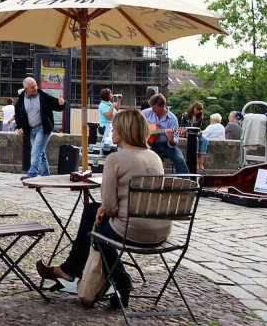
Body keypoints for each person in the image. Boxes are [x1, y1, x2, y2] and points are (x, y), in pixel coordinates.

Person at [36, 109, 170, 309]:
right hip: (160, 230)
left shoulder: (115, 159)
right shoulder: (154, 158)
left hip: (133, 230)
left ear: (124, 130)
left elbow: (110, 206)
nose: (111, 130)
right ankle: (70, 269)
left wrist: (104, 209)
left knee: (97, 226)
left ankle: (115, 280)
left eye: (114, 127)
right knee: (93, 213)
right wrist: (104, 209)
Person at [15, 77, 66, 179]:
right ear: (26, 89)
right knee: (40, 153)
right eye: (32, 87)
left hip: (43, 128)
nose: (35, 88)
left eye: (35, 85)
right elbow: (18, 115)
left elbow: (55, 104)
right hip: (31, 130)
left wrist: (61, 103)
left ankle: (32, 174)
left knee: (35, 152)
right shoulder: (20, 100)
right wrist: (19, 127)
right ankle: (46, 176)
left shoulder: (43, 96)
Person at [141, 93, 189, 174]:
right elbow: (134, 121)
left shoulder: (172, 119)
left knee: (180, 160)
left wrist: (171, 140)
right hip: (147, 144)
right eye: (151, 108)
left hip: (165, 145)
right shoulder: (146, 113)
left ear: (162, 106)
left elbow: (174, 141)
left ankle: (185, 183)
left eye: (155, 108)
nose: (152, 110)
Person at [180, 101, 208, 166]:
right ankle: (196, 162)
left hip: (196, 133)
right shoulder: (185, 115)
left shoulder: (200, 117)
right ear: (193, 108)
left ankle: (201, 162)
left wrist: (199, 132)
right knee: (196, 140)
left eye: (199, 110)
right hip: (188, 133)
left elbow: (199, 127)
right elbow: (182, 126)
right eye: (196, 109)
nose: (197, 112)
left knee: (204, 140)